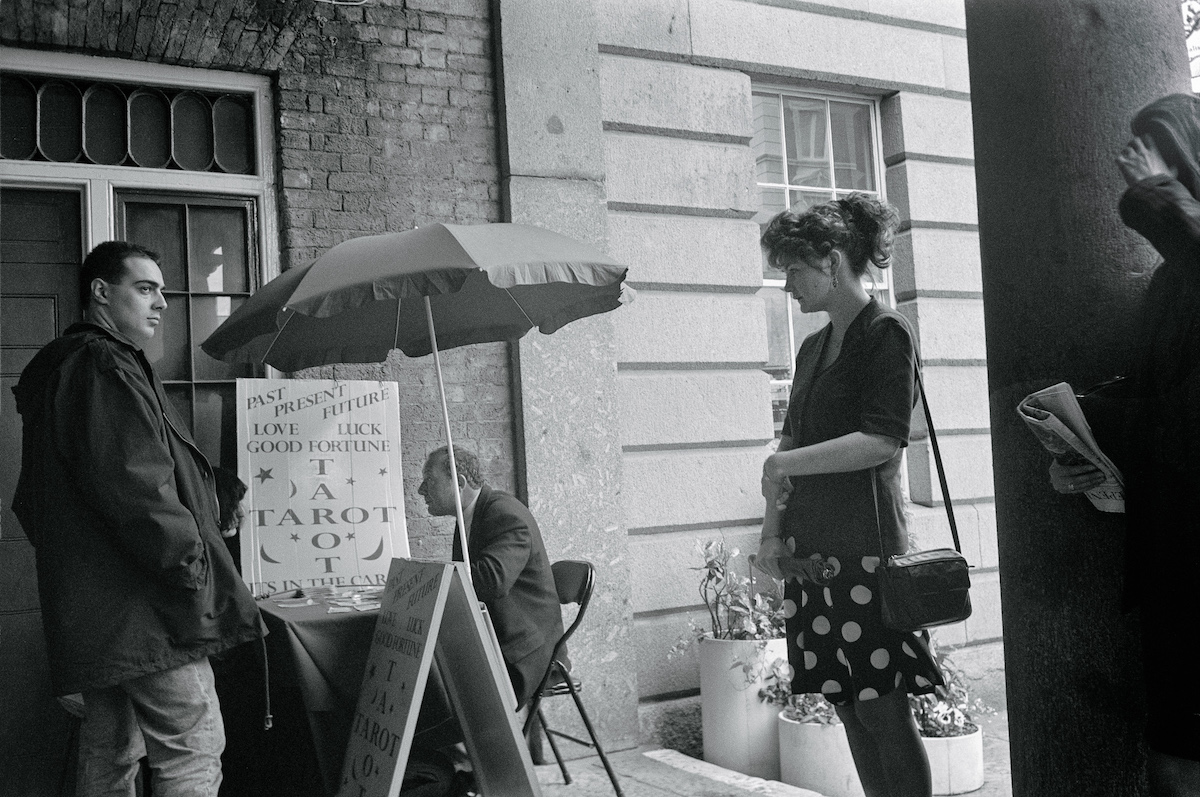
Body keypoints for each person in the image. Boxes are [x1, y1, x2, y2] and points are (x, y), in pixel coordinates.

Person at [11, 240, 265, 797]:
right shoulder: (103, 364)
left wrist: (211, 493)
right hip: (149, 610)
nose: (162, 303)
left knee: (110, 751)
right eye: (145, 288)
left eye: (161, 291)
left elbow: (40, 500)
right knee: (192, 747)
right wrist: (193, 572)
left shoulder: (69, 369)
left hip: (100, 618)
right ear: (102, 293)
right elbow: (139, 489)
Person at [755, 194, 941, 797]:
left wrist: (785, 462)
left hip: (868, 551)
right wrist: (771, 535)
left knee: (884, 709)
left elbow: (883, 440)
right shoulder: (812, 348)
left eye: (794, 270)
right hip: (814, 555)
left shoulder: (886, 333)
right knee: (849, 707)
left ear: (832, 261)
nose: (787, 286)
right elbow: (787, 449)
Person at [1049, 94, 1200, 796]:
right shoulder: (1170, 282)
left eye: (1155, 151)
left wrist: (1152, 194)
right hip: (1174, 554)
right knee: (1172, 754)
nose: (1135, 167)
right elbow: (1152, 398)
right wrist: (1079, 433)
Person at [417, 445, 564, 711]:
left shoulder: (504, 513)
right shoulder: (470, 517)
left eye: (430, 481)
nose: (421, 490)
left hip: (523, 653)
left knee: (432, 693)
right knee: (422, 675)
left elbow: (491, 580)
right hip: (495, 640)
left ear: (459, 483)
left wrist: (427, 584)